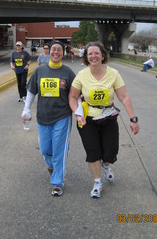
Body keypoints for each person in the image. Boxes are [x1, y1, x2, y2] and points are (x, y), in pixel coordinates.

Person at [69, 42, 139, 198]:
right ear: (86, 57)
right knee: (93, 151)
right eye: (90, 54)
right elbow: (72, 97)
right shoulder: (82, 75)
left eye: (96, 53)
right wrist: (77, 113)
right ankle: (97, 182)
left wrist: (132, 118)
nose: (93, 56)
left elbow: (123, 96)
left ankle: (106, 166)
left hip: (108, 117)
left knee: (110, 152)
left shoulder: (113, 73)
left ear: (102, 55)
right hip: (87, 119)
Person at [22, 41, 75, 197]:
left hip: (62, 116)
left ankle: (57, 182)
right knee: (45, 149)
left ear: (63, 53)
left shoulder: (69, 73)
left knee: (59, 150)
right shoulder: (40, 71)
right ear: (49, 51)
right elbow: (31, 91)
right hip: (43, 117)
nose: (56, 52)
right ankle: (51, 165)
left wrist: (78, 112)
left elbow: (75, 95)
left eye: (59, 50)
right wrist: (26, 110)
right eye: (53, 49)